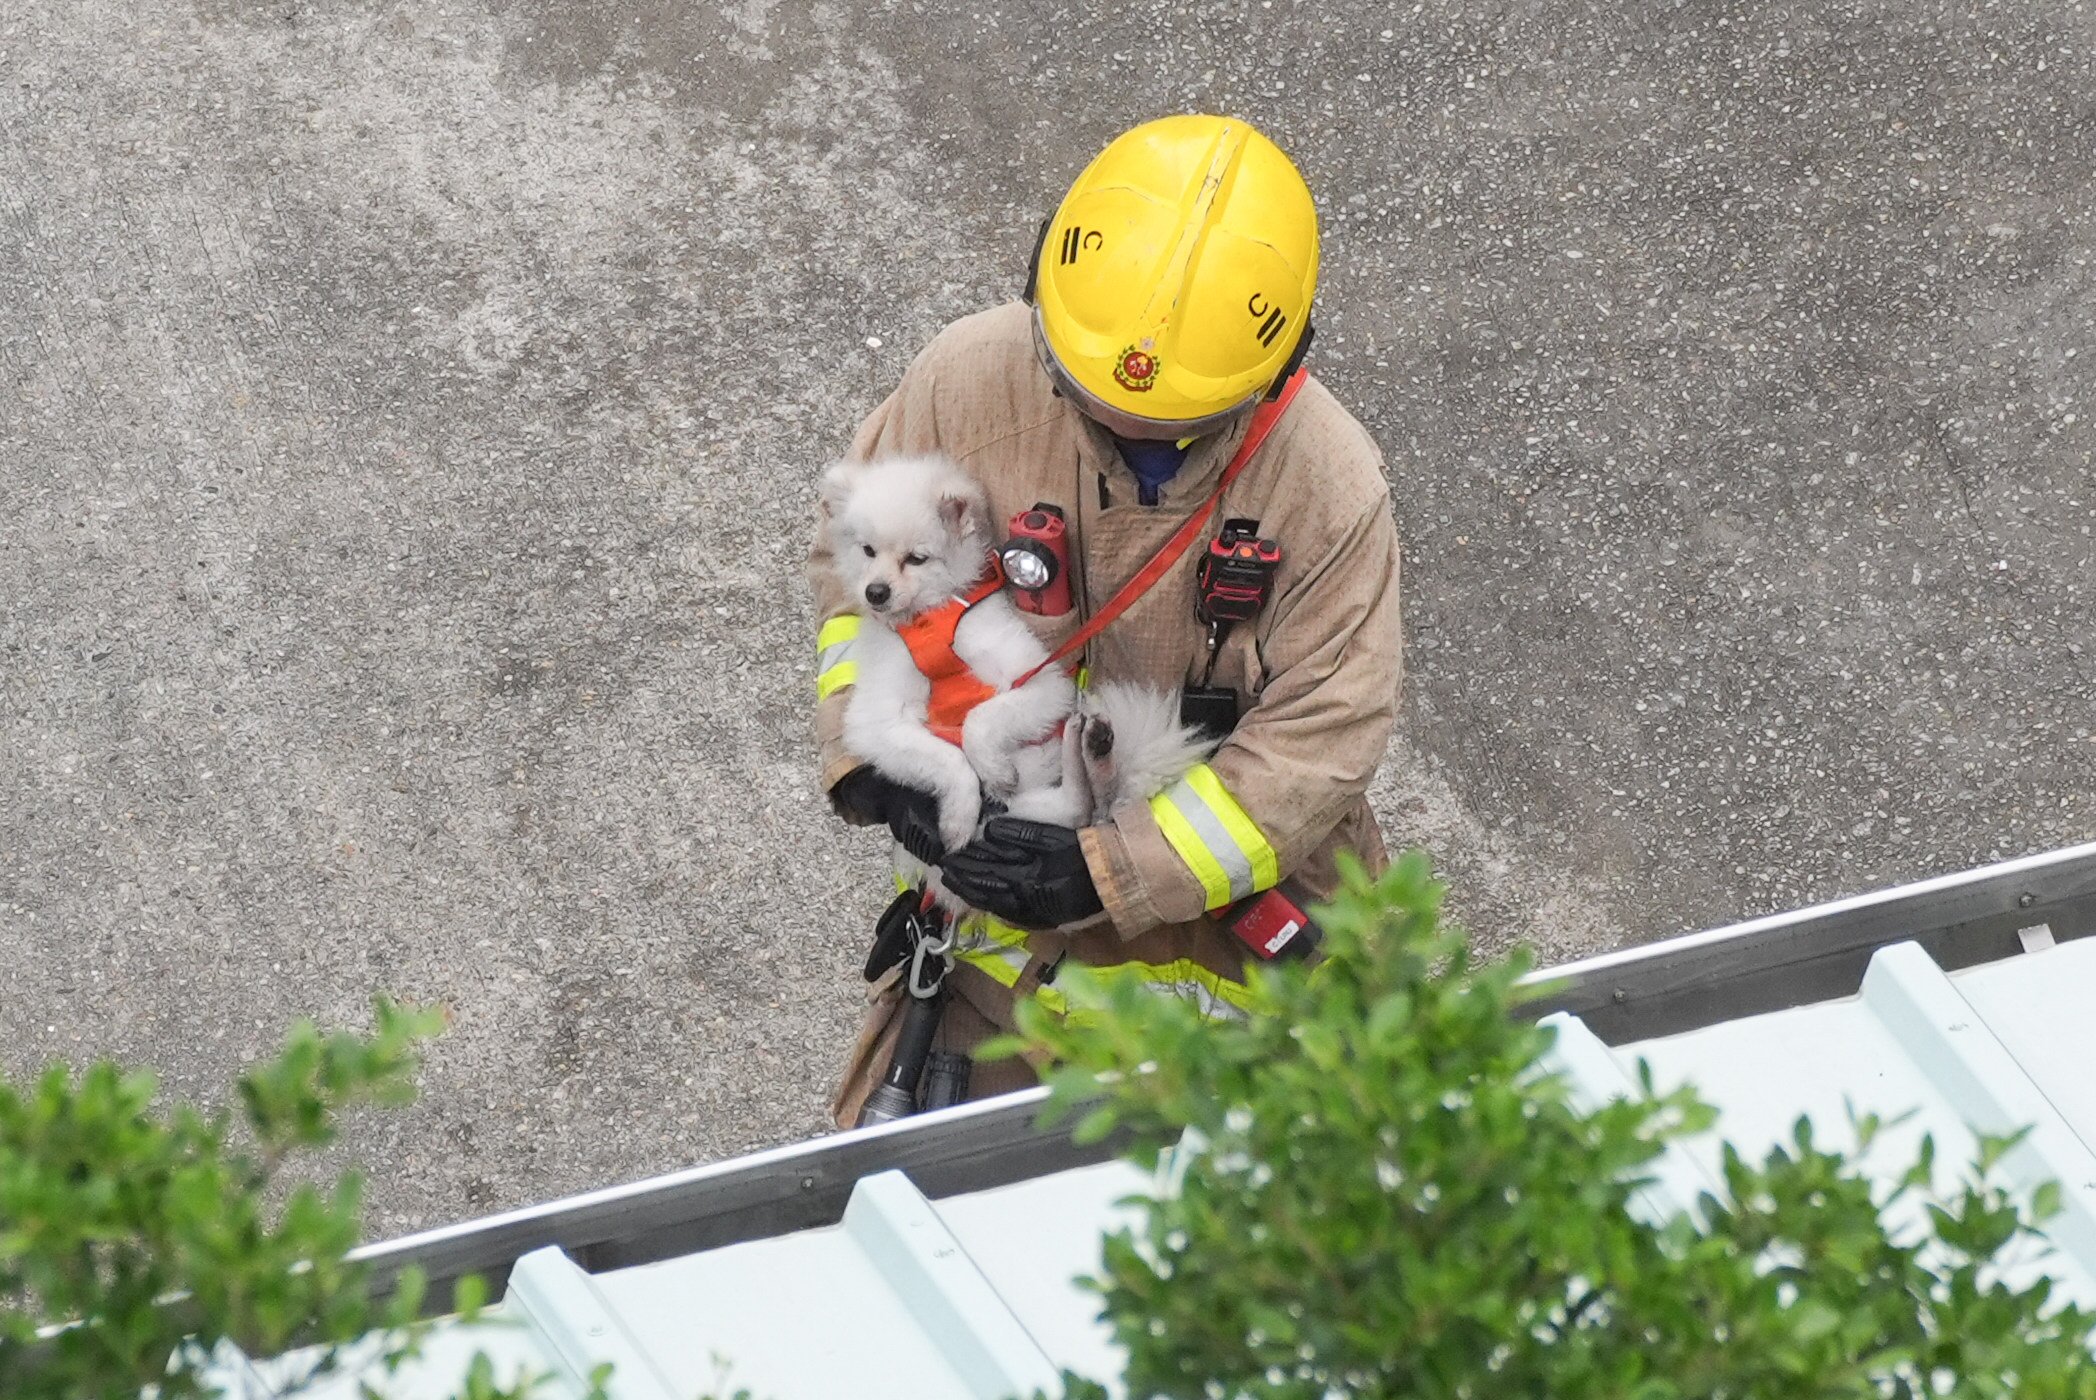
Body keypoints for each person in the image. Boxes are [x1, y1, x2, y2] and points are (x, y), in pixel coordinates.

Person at [809, 114, 1403, 1127]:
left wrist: (1109, 867)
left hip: (1252, 931)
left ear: (1277, 367)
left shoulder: (1327, 485)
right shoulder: (965, 379)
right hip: (1001, 918)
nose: (1125, 437)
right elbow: (855, 584)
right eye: (1079, 394)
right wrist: (875, 761)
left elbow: (1319, 739)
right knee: (899, 1191)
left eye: (1174, 426)